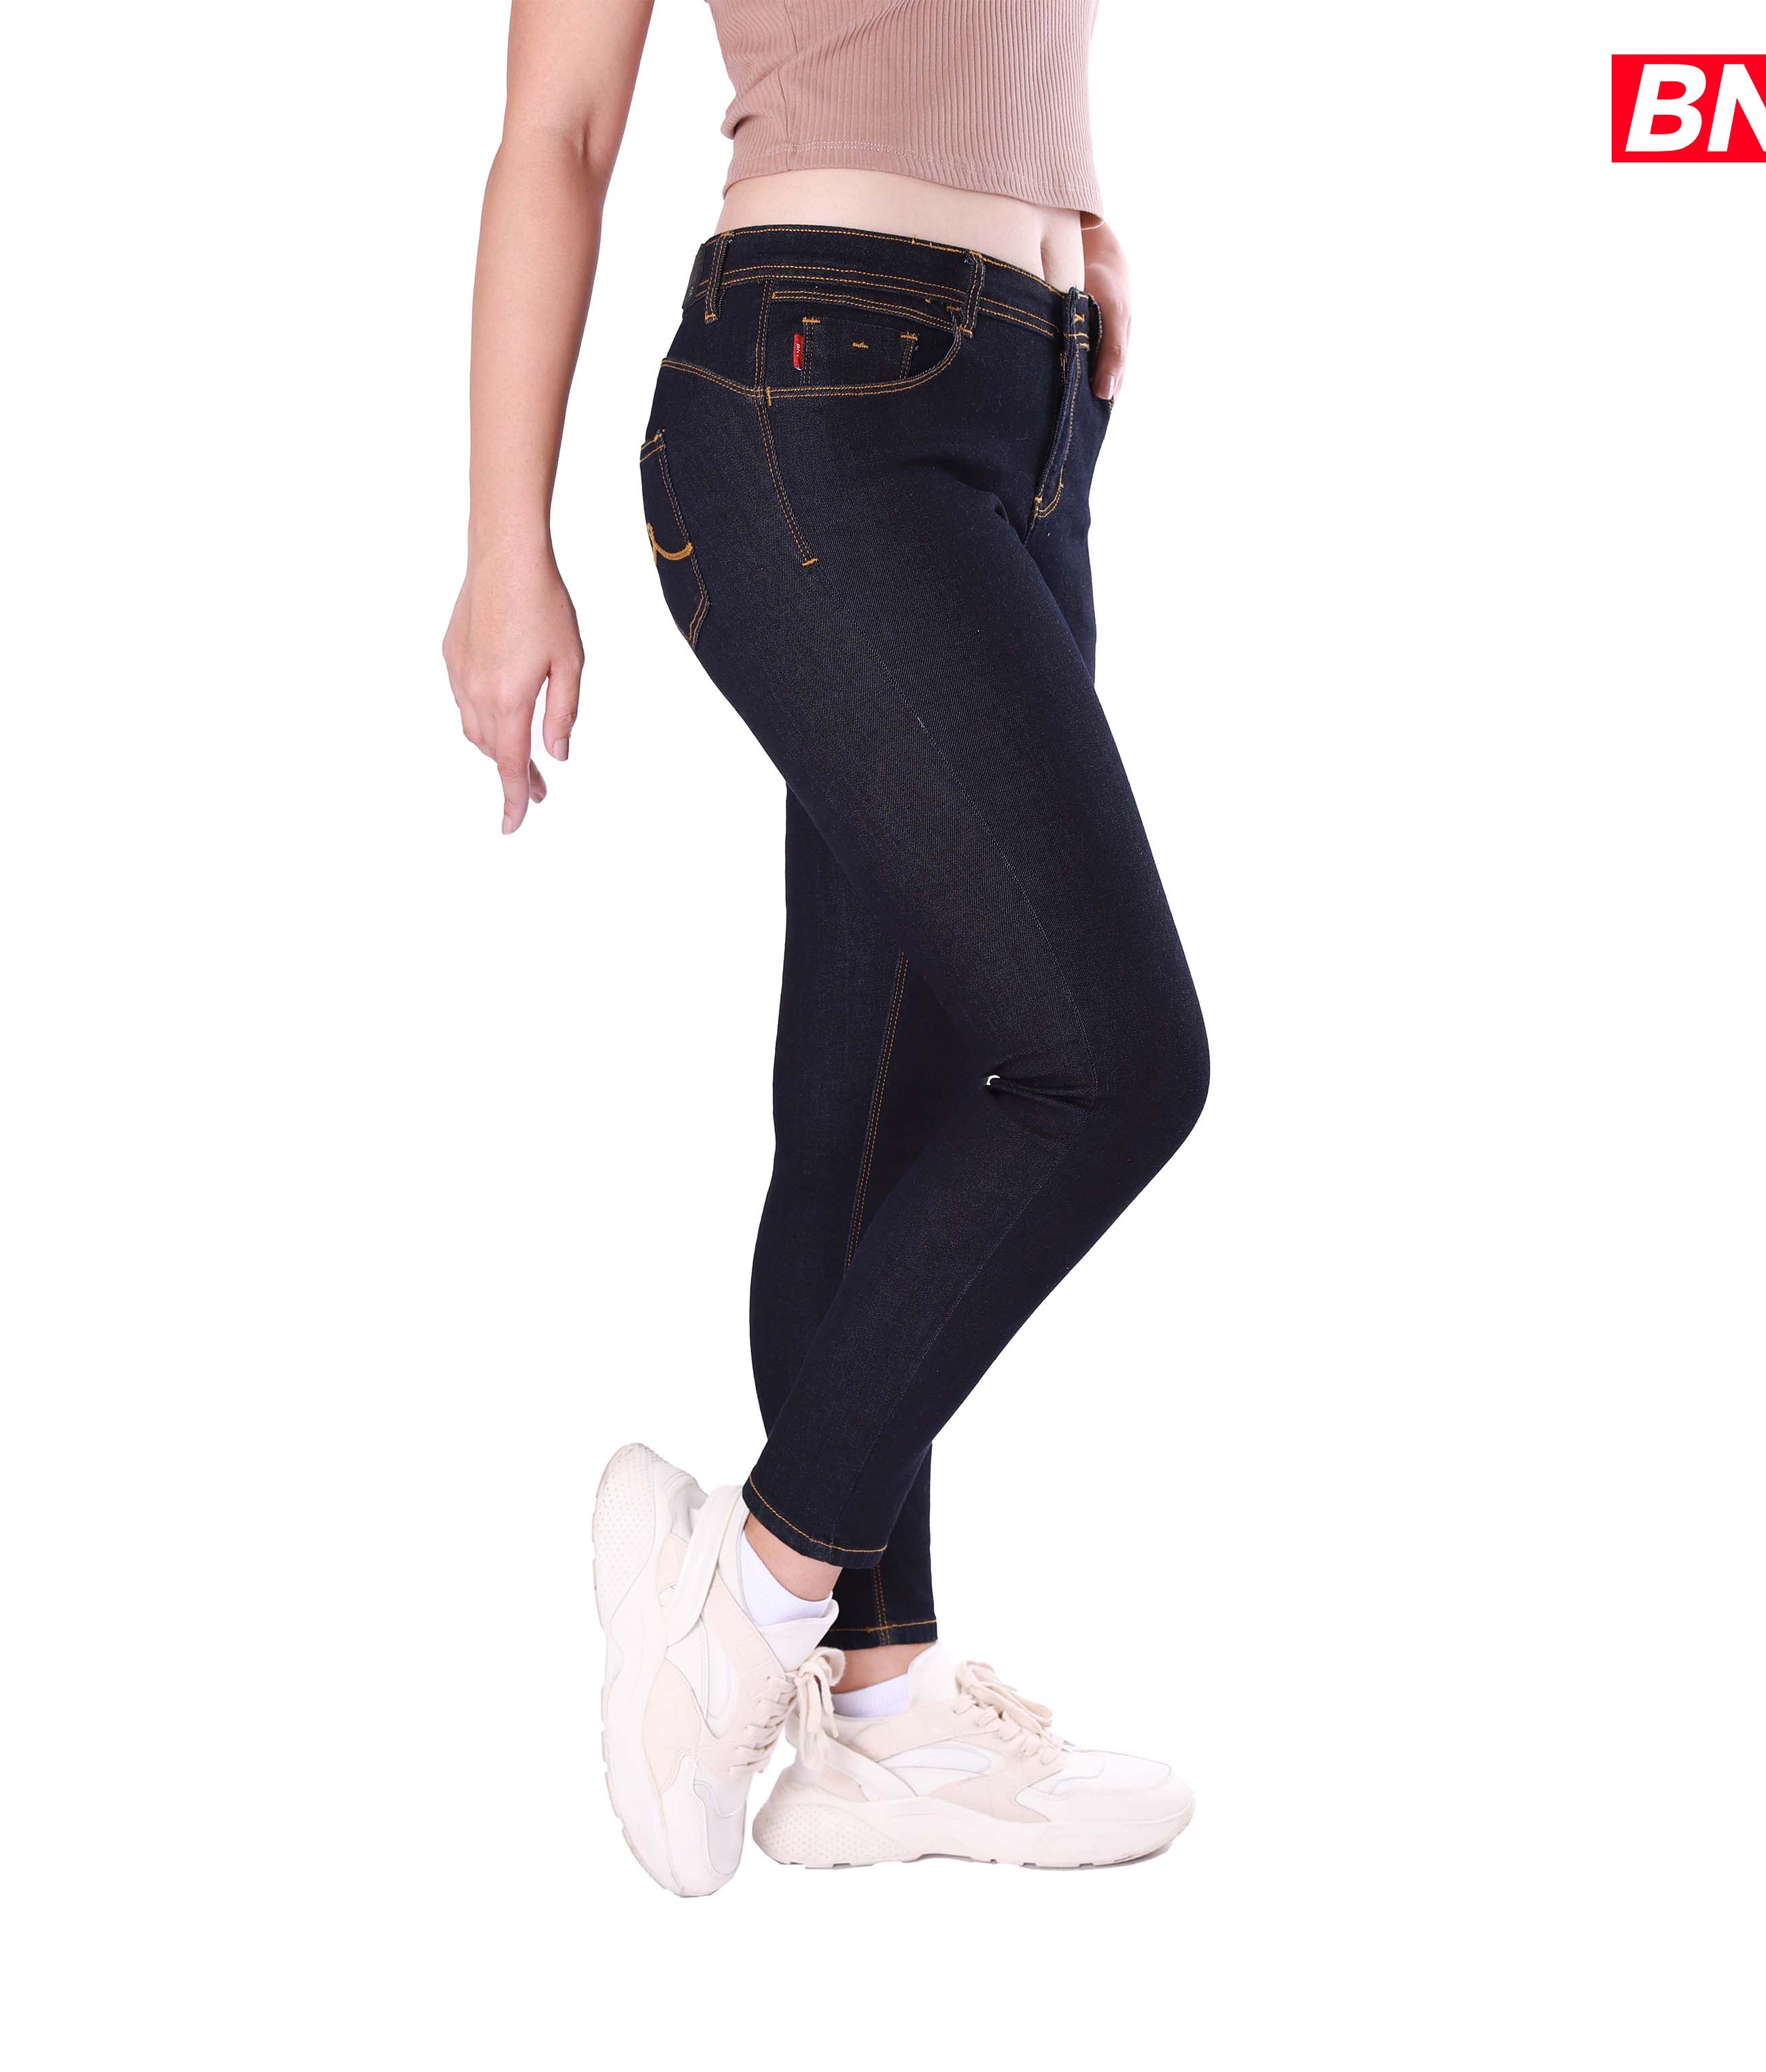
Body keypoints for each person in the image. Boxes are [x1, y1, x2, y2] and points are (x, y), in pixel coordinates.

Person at [444, 0, 1209, 1895]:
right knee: (1112, 1056)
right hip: (822, 389)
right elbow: (558, 129)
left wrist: (1065, 212)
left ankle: (884, 1716)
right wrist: (503, 545)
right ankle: (751, 1601)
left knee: (884, 1082)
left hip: (1029, 402)